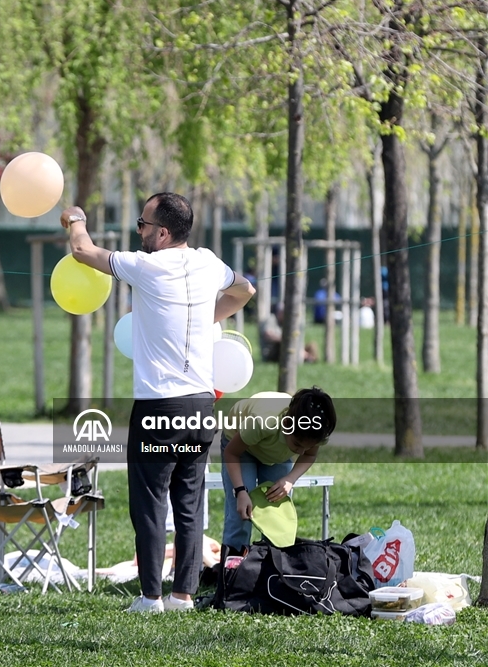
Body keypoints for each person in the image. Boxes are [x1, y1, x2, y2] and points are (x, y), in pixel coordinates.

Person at [61, 194, 255, 613]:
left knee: (150, 503)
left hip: (159, 412)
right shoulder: (207, 261)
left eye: (142, 225)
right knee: (189, 504)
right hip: (202, 407)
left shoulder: (146, 266)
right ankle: (182, 596)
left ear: (162, 232)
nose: (139, 232)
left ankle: (151, 597)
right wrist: (208, 318)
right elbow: (245, 289)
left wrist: (75, 218)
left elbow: (82, 251)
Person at [220, 387, 337, 559]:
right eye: (298, 445)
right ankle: (230, 572)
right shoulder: (263, 421)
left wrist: (290, 479)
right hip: (240, 448)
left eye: (307, 446)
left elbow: (310, 455)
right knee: (242, 514)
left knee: (277, 514)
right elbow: (232, 453)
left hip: (276, 453)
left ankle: (271, 568)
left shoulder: (315, 429)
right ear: (288, 425)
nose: (302, 450)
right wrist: (240, 491)